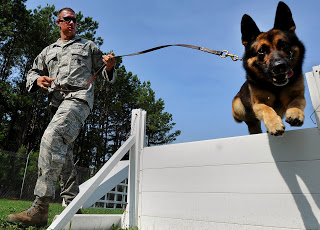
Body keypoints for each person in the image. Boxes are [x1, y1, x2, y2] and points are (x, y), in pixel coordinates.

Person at [6, 7, 116, 227]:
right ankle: (74, 204)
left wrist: (110, 66)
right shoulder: (48, 51)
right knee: (63, 152)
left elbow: (105, 71)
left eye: (75, 20)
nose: (72, 23)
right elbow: (32, 72)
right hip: (56, 103)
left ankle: (40, 207)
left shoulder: (88, 46)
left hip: (79, 99)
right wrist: (37, 81)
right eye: (67, 19)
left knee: (52, 137)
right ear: (58, 22)